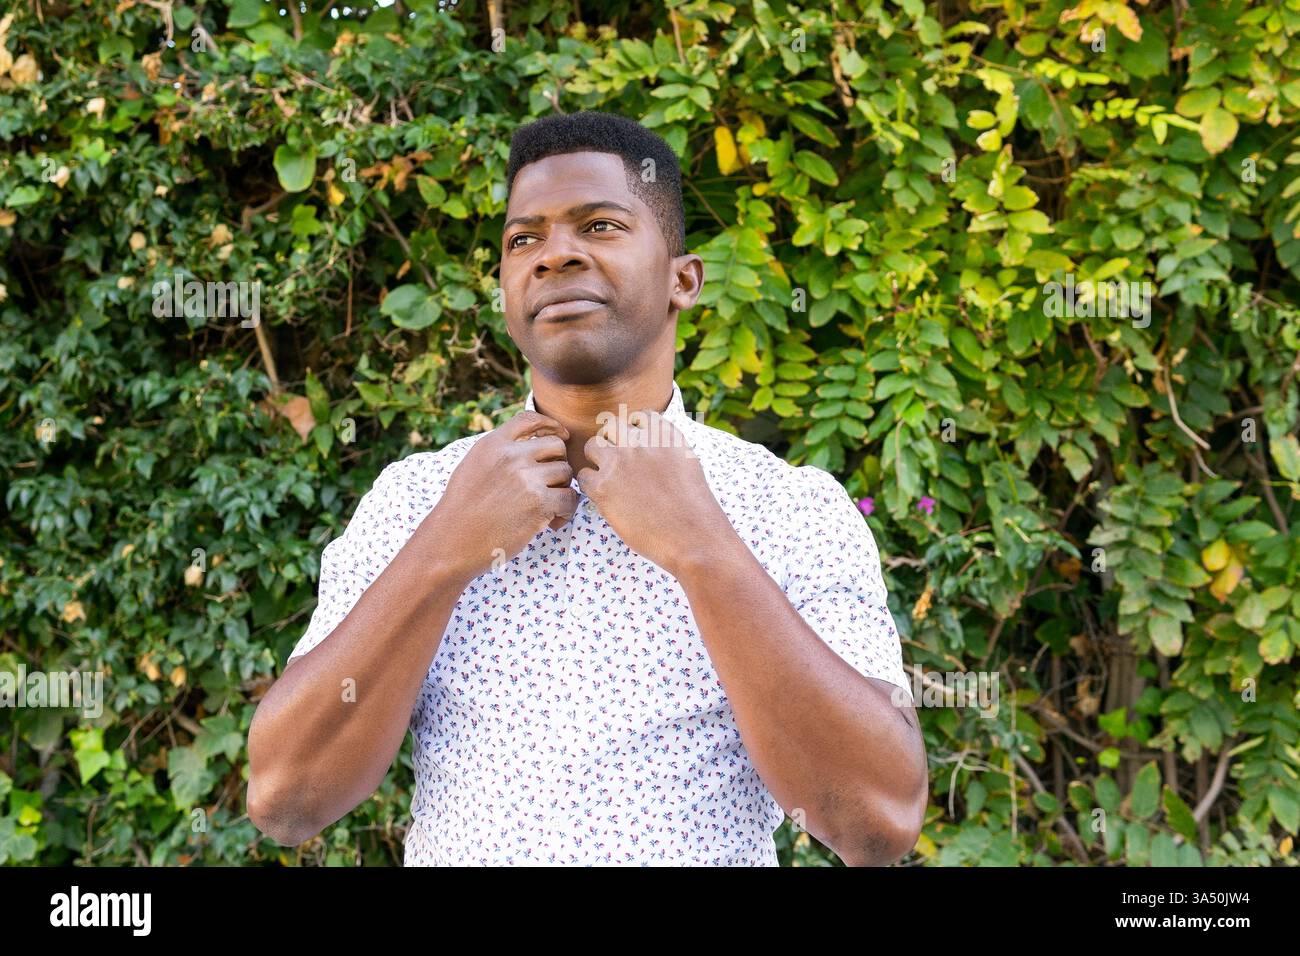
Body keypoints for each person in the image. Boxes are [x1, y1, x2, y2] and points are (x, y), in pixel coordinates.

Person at [246, 110, 927, 866]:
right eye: (523, 239)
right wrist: (442, 551)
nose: (553, 255)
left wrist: (704, 548)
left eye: (599, 226)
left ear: (684, 280)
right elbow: (286, 800)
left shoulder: (788, 510)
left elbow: (878, 824)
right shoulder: (417, 501)